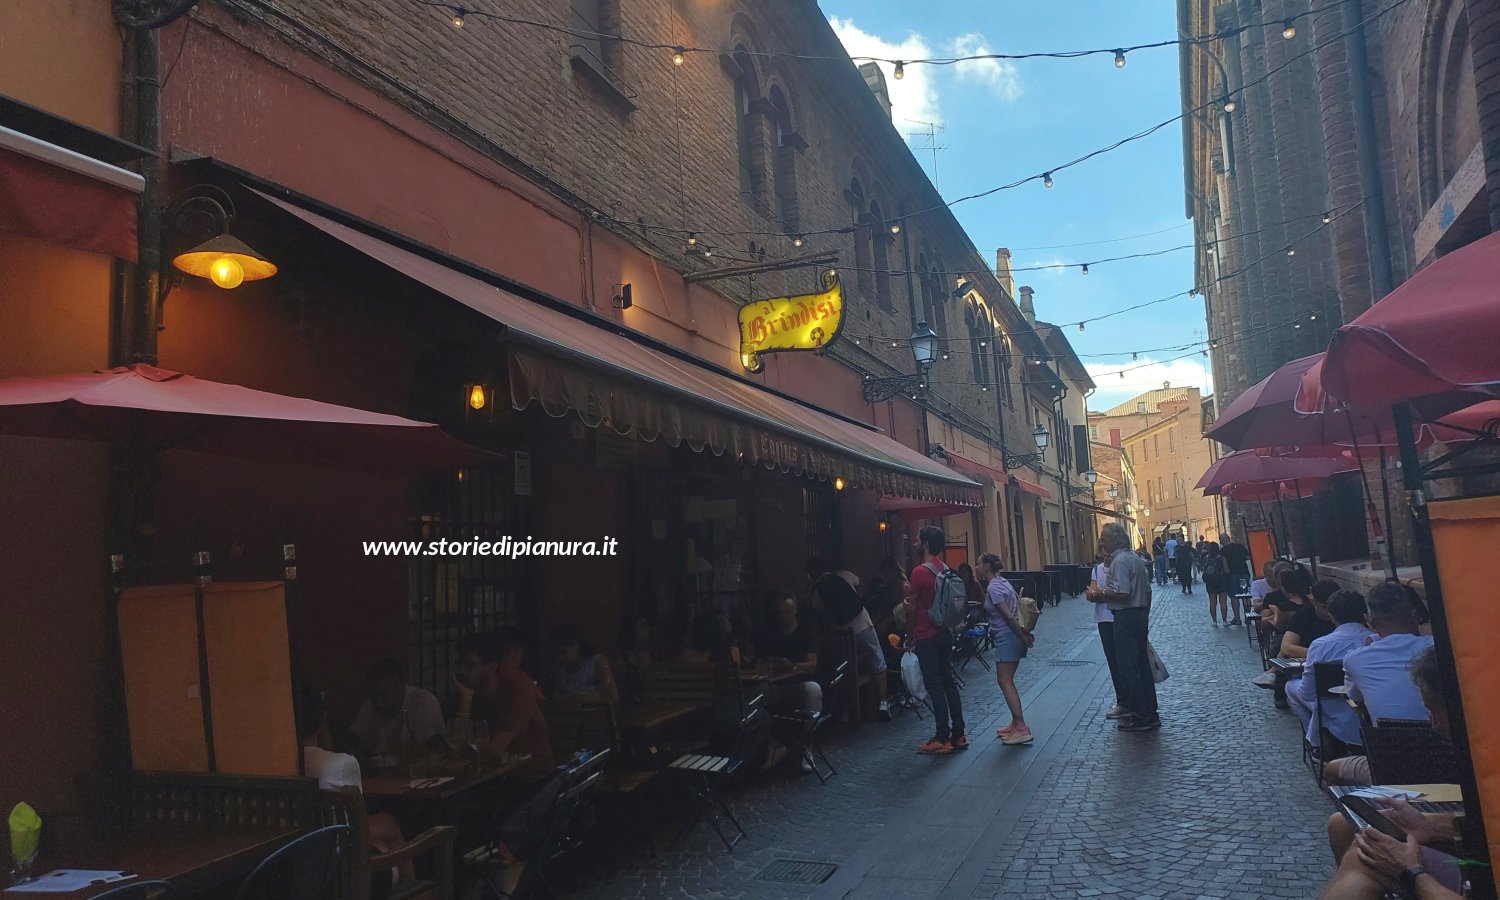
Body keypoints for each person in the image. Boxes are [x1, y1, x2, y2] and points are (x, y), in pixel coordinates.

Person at [1317, 648, 1464, 900]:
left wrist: (1413, 872)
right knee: (1347, 828)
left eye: (1435, 713)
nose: (1433, 725)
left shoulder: (1358, 656)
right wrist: (1432, 825)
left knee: (1366, 852)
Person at [1323, 583, 1437, 786]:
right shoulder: (1436, 648)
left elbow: (1356, 700)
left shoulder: (1356, 659)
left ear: (1369, 620)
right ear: (1413, 613)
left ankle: (1370, 812)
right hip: (1446, 754)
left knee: (1331, 770)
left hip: (1391, 763)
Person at [297, 684, 413, 883]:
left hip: (301, 871)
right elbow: (355, 830)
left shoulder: (276, 767)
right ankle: (411, 890)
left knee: (383, 827)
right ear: (322, 717)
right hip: (343, 877)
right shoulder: (342, 764)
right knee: (383, 832)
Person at [1086, 522, 1159, 731]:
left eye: (1104, 538)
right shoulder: (1136, 559)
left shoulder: (1120, 562)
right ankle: (1150, 711)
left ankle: (1139, 715)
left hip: (1125, 616)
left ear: (1116, 540)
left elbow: (1123, 593)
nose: (1101, 542)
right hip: (1138, 614)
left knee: (1129, 666)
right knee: (1142, 665)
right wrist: (1144, 612)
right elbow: (1147, 592)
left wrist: (1099, 594)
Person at [905, 525, 966, 754]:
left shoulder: (920, 572)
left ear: (926, 544)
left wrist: (909, 636)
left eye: (918, 539)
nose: (915, 543)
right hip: (944, 632)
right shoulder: (944, 567)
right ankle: (959, 733)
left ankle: (941, 735)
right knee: (948, 681)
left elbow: (911, 607)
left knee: (934, 685)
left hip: (926, 634)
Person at [454, 630, 554, 770]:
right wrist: (465, 702)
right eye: (459, 664)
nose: (462, 671)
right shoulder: (469, 693)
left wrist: (461, 750)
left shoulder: (517, 689)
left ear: (492, 666)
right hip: (491, 774)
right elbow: (453, 747)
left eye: (470, 665)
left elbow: (496, 750)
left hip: (531, 775)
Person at [805, 559, 891, 721]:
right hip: (863, 624)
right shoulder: (844, 575)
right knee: (878, 658)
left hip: (840, 634)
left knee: (840, 665)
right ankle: (883, 702)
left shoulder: (815, 591)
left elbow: (820, 613)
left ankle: (844, 708)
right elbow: (861, 584)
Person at [1287, 590, 1373, 750]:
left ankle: (1318, 742)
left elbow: (1307, 692)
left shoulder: (1320, 645)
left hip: (1332, 708)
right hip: (1369, 710)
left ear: (1331, 615)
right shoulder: (1376, 640)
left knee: (1290, 686)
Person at [976, 553, 1035, 745]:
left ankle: (1021, 726)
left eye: (978, 564)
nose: (976, 567)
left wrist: (1021, 636)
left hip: (1006, 636)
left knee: (1005, 680)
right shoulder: (1003, 582)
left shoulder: (993, 588)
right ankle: (1015, 722)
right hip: (1010, 635)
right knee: (1006, 679)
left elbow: (1008, 616)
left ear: (986, 566)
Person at [348, 658, 447, 760]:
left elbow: (431, 748)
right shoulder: (373, 703)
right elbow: (356, 736)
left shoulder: (423, 702)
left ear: (399, 687)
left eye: (383, 695)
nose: (377, 701)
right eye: (373, 696)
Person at [757, 592, 822, 714]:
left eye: (786, 612)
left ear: (795, 611)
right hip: (775, 685)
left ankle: (810, 729)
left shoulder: (806, 632)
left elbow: (812, 664)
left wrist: (793, 666)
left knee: (813, 689)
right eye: (780, 613)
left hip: (799, 683)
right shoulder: (771, 634)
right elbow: (763, 659)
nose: (782, 616)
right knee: (758, 691)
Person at [1090, 553, 1128, 720]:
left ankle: (1129, 700)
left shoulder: (1120, 566)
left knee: (1124, 660)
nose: (1106, 553)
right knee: (1112, 660)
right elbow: (1091, 593)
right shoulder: (1097, 570)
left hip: (1119, 616)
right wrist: (1097, 594)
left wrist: (1101, 593)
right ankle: (1121, 700)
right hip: (1104, 619)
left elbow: (1120, 592)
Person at [546, 623, 619, 704]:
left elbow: (613, 697)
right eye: (557, 654)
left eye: (563, 652)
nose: (560, 657)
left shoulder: (597, 662)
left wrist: (586, 698)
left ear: (576, 644)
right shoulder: (561, 670)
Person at [1200, 542, 1233, 624]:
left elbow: (1203, 569)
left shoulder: (1206, 558)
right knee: (1223, 602)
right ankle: (1224, 621)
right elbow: (1227, 570)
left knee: (1212, 602)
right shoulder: (1221, 558)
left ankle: (1214, 621)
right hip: (1221, 581)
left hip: (1210, 582)